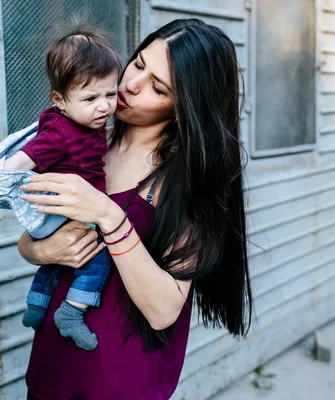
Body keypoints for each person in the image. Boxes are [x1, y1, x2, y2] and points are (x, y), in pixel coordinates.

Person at [17, 19, 254, 399]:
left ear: (184, 107)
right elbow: (31, 238)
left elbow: (163, 310)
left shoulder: (185, 181)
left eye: (157, 87)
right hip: (51, 368)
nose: (130, 84)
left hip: (118, 380)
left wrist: (111, 217)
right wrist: (40, 250)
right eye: (139, 63)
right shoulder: (84, 141)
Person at [4, 29, 121, 351]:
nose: (104, 107)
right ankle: (71, 312)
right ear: (59, 100)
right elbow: (29, 155)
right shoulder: (61, 133)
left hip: (64, 211)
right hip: (64, 211)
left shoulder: (84, 123)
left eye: (110, 94)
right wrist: (5, 174)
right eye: (90, 99)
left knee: (54, 262)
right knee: (98, 259)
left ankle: (37, 304)